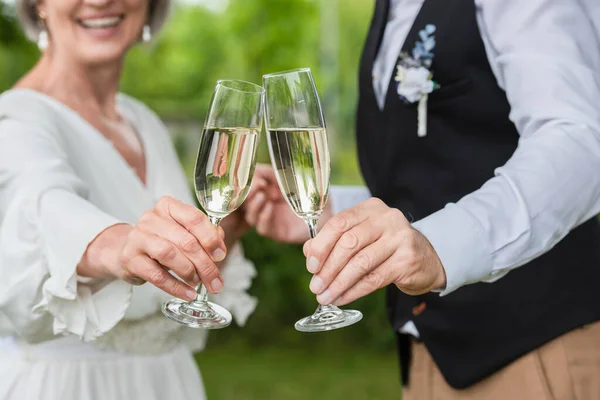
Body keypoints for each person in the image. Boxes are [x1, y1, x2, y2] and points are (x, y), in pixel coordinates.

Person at [244, 0, 600, 398]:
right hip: (426, 358)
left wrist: (438, 246)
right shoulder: (387, 11)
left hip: (534, 348)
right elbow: (435, 172)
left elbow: (580, 144)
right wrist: (331, 213)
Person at [0, 0, 257, 399]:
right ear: (39, 4)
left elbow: (168, 287)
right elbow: (41, 205)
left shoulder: (143, 121)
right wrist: (117, 244)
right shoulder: (16, 120)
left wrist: (232, 226)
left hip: (170, 384)